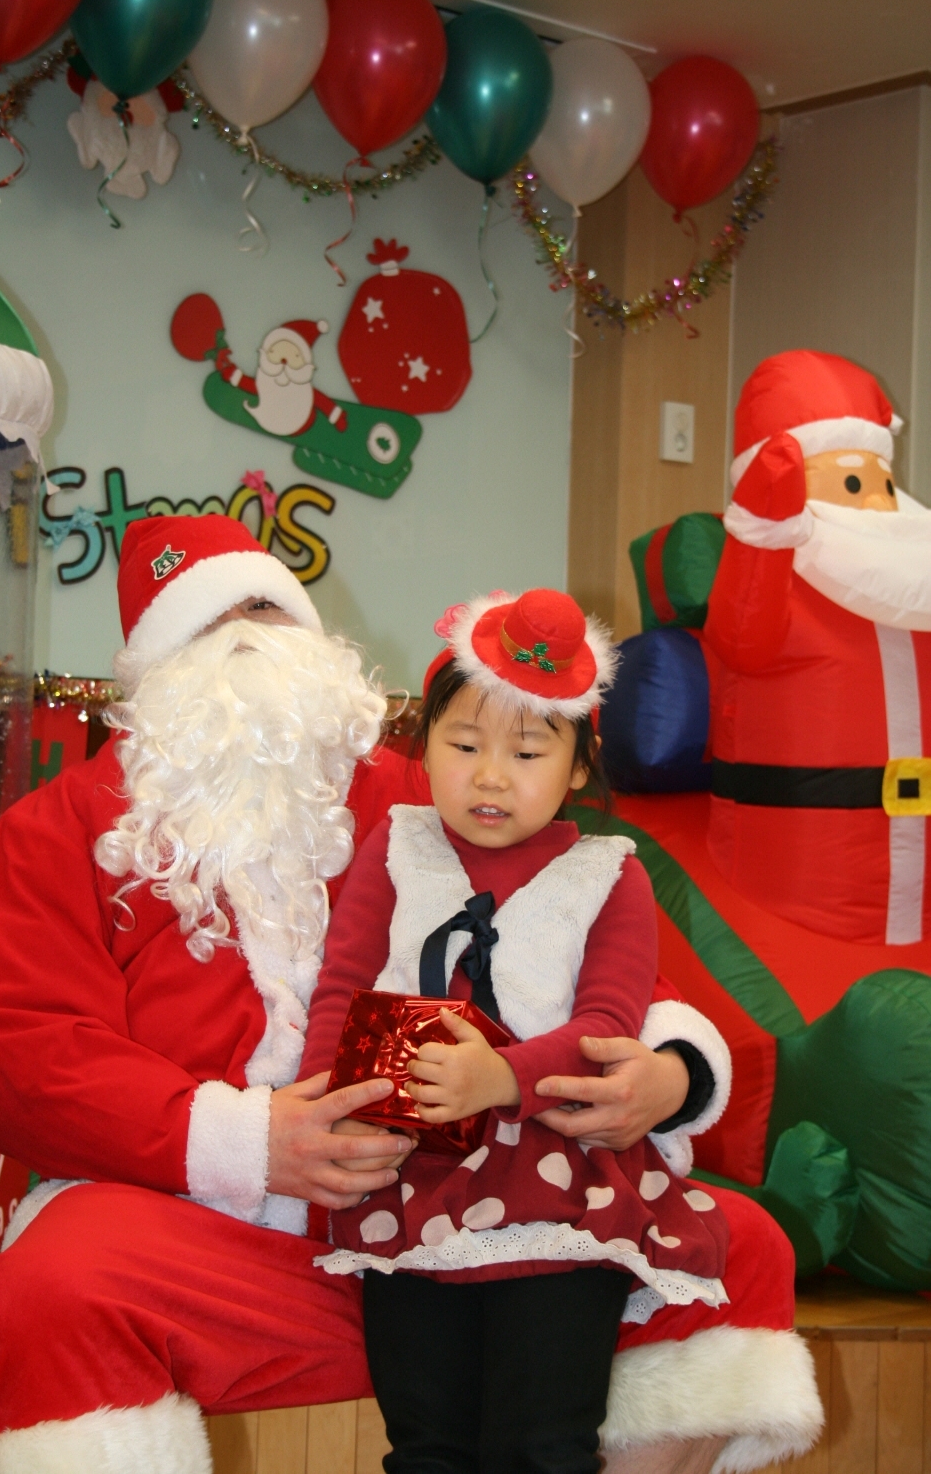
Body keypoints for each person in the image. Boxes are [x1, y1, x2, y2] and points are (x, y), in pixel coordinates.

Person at [0, 515, 819, 1473]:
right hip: (209, 1240)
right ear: (152, 671)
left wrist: (669, 1072)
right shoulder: (55, 831)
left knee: (738, 1246)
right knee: (48, 1289)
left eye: (265, 612)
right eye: (209, 624)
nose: (245, 642)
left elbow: (586, 939)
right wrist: (252, 1143)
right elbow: (29, 1056)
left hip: (456, 1210)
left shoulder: (426, 794)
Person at [302, 589, 731, 1474]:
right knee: (426, 1447)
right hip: (407, 1180)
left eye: (527, 752)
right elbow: (341, 991)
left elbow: (608, 1025)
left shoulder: (609, 874)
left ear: (577, 766)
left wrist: (500, 1077)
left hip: (556, 1188)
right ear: (424, 745)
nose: (491, 776)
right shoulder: (394, 848)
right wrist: (324, 1112)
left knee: (543, 1447)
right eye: (464, 745)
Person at [706, 348, 931, 945]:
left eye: (883, 482)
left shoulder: (914, 578)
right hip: (804, 876)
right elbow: (742, 640)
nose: (876, 501)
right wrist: (761, 534)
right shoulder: (779, 565)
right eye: (854, 482)